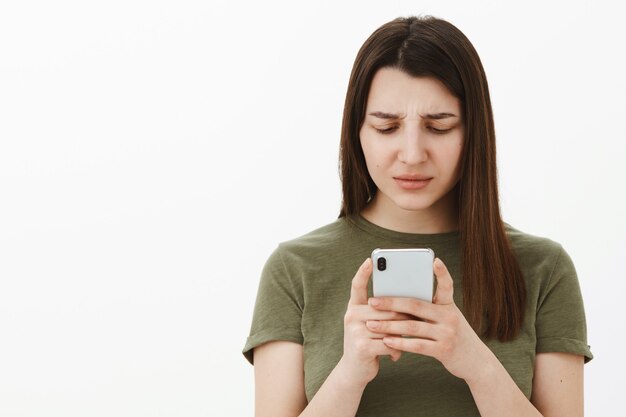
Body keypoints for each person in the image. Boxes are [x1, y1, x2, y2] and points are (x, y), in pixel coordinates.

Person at [243, 15, 593, 417]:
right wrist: (349, 374)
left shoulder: (542, 268)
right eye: (387, 126)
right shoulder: (294, 270)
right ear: (356, 132)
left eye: (439, 127)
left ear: (474, 131)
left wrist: (476, 364)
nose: (412, 153)